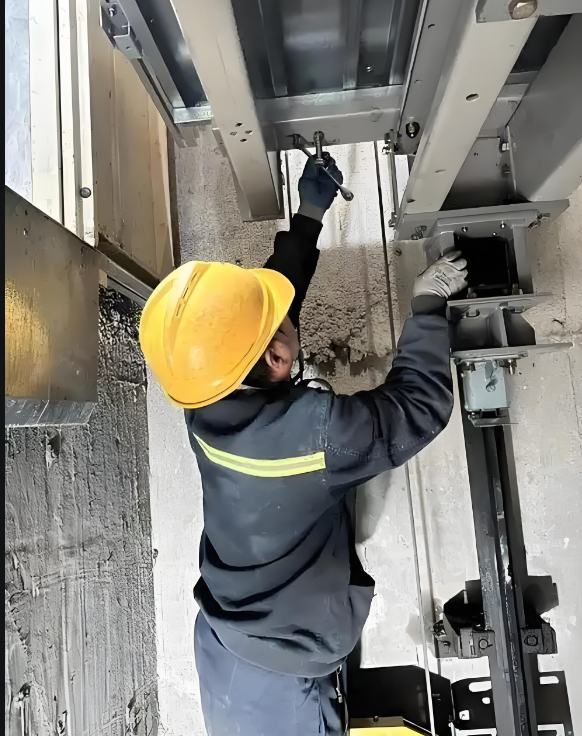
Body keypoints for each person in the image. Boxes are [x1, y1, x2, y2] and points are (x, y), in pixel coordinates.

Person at [140, 157, 468, 736]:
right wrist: (426, 307)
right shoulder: (316, 434)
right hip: (279, 676)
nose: (282, 315)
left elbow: (261, 317)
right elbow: (419, 406)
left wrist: (309, 215)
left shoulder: (205, 391)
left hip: (231, 638)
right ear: (276, 358)